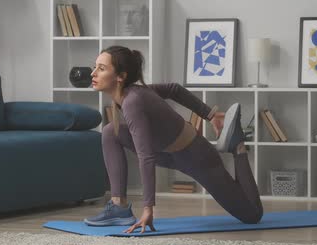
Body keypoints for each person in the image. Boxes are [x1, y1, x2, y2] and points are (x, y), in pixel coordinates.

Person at [84, 45, 263, 234]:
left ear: (121, 76)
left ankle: (238, 147)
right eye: (95, 67)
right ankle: (118, 207)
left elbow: (146, 157)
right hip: (167, 154)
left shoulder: (133, 101)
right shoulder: (131, 94)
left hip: (197, 157)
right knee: (111, 131)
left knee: (252, 215)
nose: (93, 73)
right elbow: (173, 89)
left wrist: (148, 209)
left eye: (101, 68)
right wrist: (210, 115)